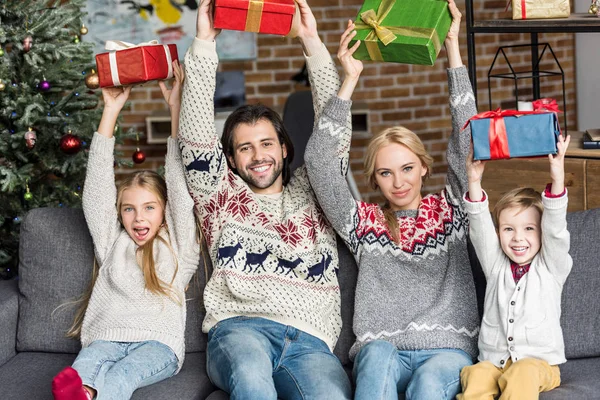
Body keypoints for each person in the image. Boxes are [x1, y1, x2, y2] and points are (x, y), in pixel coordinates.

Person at [304, 1, 480, 398]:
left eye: (406, 168)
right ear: (374, 181)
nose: (398, 182)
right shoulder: (363, 224)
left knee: (430, 384)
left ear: (424, 168)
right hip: (382, 349)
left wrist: (453, 53)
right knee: (378, 357)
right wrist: (348, 80)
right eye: (385, 172)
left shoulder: (453, 209)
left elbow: (468, 140)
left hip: (447, 350)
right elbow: (318, 162)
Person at [177, 0, 352, 398]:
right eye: (245, 148)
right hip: (240, 329)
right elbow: (195, 133)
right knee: (251, 377)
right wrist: (203, 42)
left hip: (311, 340)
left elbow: (333, 133)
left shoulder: (316, 191)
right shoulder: (219, 195)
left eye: (266, 143)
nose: (258, 156)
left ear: (286, 149)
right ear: (232, 160)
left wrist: (311, 42)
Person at [51, 62, 201, 400]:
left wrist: (174, 108)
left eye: (149, 207)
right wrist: (111, 109)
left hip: (157, 344)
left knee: (120, 376)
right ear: (119, 214)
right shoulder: (112, 240)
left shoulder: (178, 245)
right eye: (128, 209)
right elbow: (97, 189)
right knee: (79, 376)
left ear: (164, 211)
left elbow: (177, 183)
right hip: (104, 337)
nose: (138, 218)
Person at [457, 133, 572, 400]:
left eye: (529, 229)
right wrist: (474, 180)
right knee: (475, 374)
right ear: (499, 234)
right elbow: (480, 228)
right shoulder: (496, 264)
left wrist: (557, 178)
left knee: (523, 371)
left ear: (541, 232)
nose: (518, 238)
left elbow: (556, 229)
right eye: (508, 229)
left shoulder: (551, 266)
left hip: (539, 366)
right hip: (495, 364)